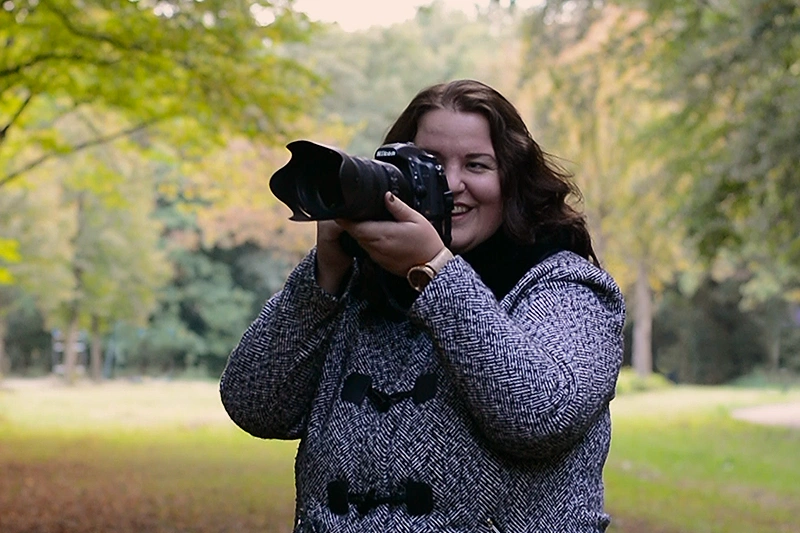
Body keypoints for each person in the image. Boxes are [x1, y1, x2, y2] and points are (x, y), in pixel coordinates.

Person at [220, 79, 625, 532]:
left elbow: (541, 417)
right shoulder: (361, 283)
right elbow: (254, 404)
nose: (452, 185)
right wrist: (326, 271)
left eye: (477, 165)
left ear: (512, 180)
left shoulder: (568, 286)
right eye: (430, 165)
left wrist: (436, 270)